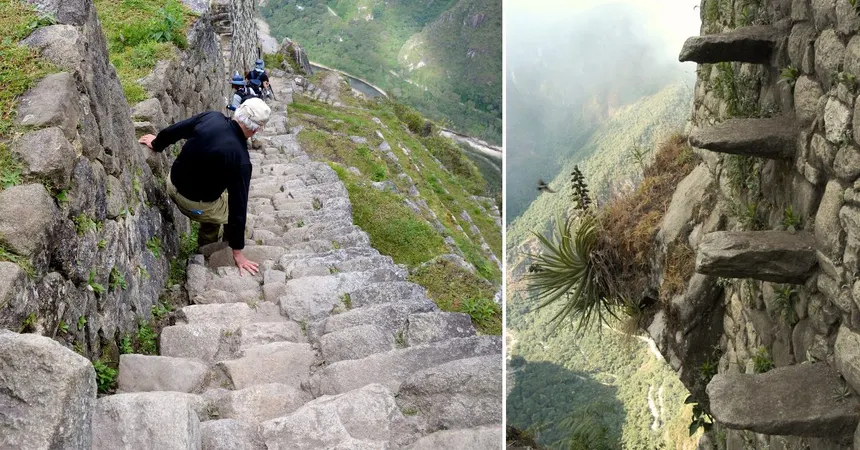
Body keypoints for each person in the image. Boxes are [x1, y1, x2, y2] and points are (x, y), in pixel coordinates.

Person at [137, 98, 271, 276]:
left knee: (221, 198)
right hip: (193, 203)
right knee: (238, 222)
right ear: (256, 128)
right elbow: (238, 207)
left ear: (239, 111)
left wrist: (156, 143)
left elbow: (177, 130)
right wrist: (238, 252)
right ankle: (207, 250)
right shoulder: (240, 159)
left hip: (172, 182)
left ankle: (209, 239)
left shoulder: (211, 117)